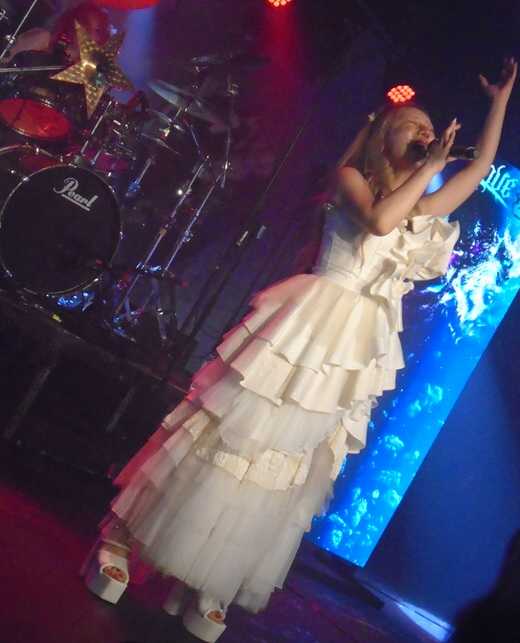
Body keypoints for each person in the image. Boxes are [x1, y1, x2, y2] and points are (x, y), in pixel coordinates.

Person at [82, 58, 517, 642]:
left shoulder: (422, 208)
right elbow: (380, 223)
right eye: (412, 125)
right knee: (231, 434)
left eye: (429, 128)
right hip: (310, 323)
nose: (424, 132)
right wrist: (432, 167)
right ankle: (120, 540)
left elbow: (481, 166)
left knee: (287, 465)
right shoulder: (351, 178)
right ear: (383, 136)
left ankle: (209, 577)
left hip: (357, 348)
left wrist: (500, 103)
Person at [0, 1, 110, 64]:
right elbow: (6, 56)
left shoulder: (86, 72)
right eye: (84, 25)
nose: (92, 35)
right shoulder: (43, 38)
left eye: (98, 30)